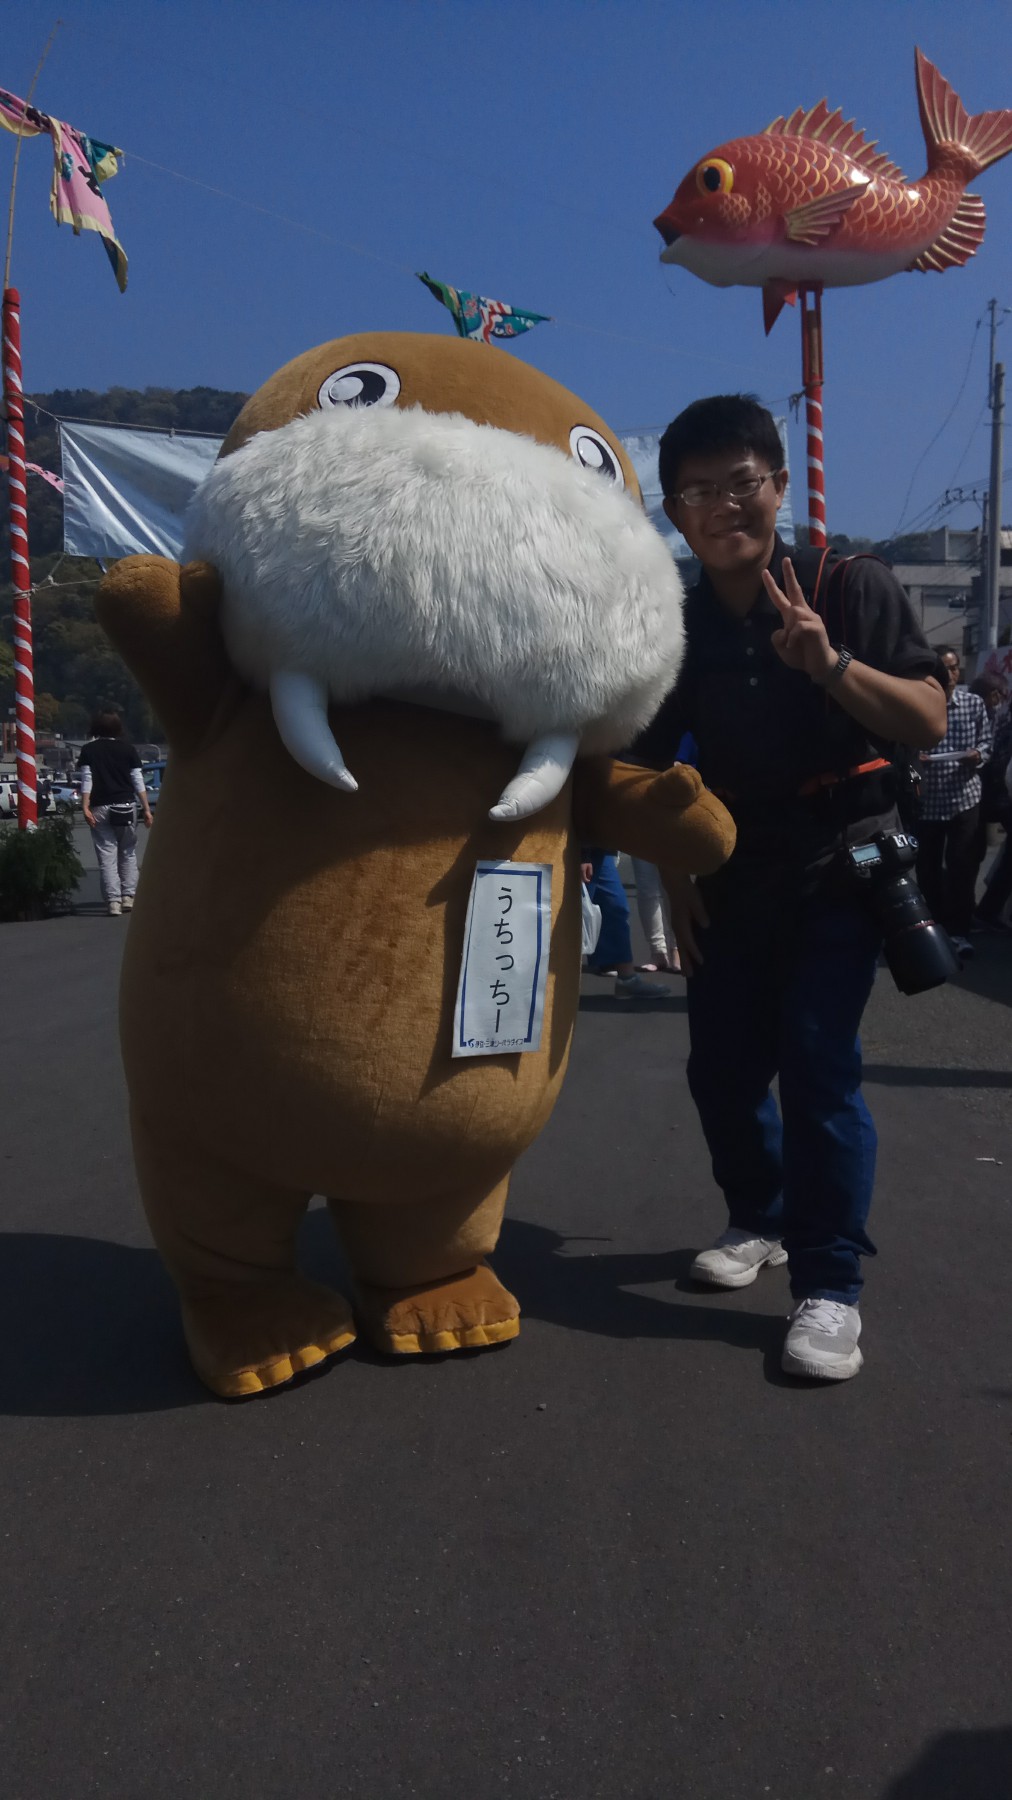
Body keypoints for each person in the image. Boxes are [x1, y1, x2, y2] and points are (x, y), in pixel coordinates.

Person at [631, 394, 946, 1382]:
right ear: (675, 513)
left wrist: (831, 663)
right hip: (729, 875)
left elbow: (927, 719)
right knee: (720, 1073)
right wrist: (673, 869)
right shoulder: (675, 623)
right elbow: (647, 764)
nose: (724, 506)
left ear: (778, 485)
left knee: (816, 1067)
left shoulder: (849, 584)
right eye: (699, 491)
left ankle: (829, 1286)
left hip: (840, 871)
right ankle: (759, 1216)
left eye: (742, 483)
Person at [915, 649, 992, 958]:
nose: (951, 674)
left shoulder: (973, 704)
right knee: (928, 869)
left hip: (964, 798)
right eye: (944, 668)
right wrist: (916, 760)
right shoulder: (918, 703)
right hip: (928, 800)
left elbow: (986, 742)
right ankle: (935, 926)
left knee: (962, 866)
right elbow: (904, 744)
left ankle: (960, 931)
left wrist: (978, 755)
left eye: (955, 668)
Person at [78, 711, 153, 916]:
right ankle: (128, 896)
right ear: (119, 728)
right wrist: (146, 809)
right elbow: (138, 780)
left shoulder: (88, 750)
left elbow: (87, 779)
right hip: (125, 805)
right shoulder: (128, 749)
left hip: (99, 807)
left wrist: (85, 806)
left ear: (95, 728)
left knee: (107, 854)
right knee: (127, 851)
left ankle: (113, 901)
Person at [581, 850, 671, 998]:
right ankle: (558, 985)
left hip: (599, 849)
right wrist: (583, 856)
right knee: (574, 916)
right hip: (583, 850)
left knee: (615, 907)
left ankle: (627, 979)